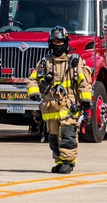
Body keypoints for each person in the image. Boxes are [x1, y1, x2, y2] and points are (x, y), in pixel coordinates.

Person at [27, 26, 93, 174]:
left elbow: (84, 83)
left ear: (66, 42)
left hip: (69, 107)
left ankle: (68, 162)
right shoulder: (45, 63)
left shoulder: (75, 63)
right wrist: (35, 93)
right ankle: (59, 161)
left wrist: (86, 102)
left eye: (60, 41)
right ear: (51, 43)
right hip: (50, 108)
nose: (58, 44)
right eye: (55, 42)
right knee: (53, 137)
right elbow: (32, 80)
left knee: (68, 135)